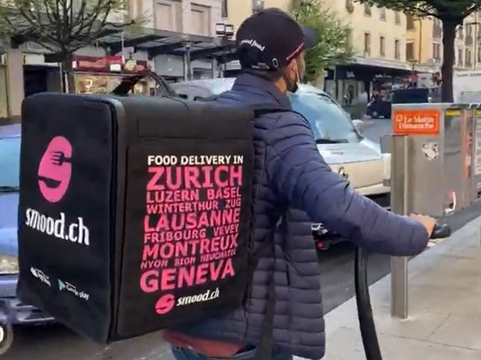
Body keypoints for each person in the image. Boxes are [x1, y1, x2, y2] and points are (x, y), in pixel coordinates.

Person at [162, 8, 437, 360]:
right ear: (290, 65)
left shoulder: (209, 115)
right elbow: (340, 206)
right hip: (245, 337)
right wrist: (415, 232)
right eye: (301, 55)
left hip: (187, 322)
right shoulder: (280, 127)